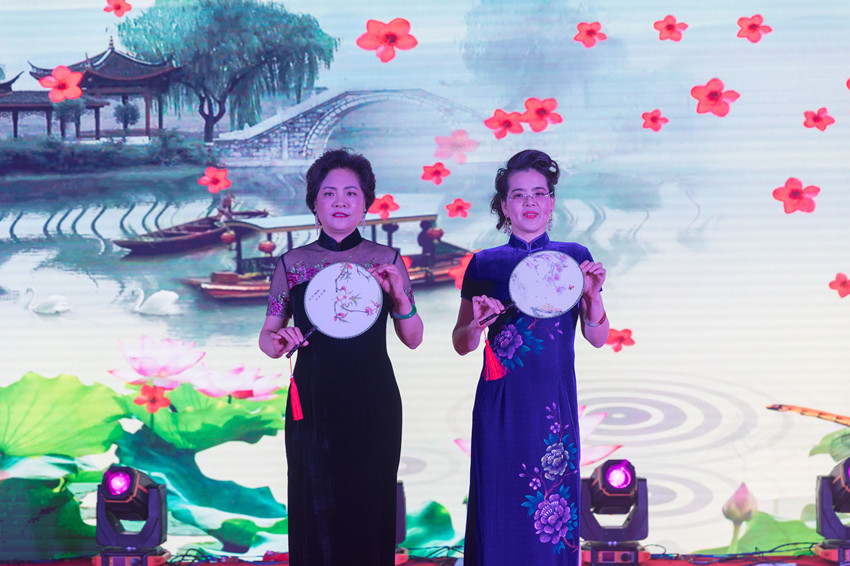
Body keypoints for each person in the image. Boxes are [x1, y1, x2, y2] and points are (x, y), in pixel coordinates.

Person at [259, 148, 424, 566]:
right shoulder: (292, 263)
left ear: (365, 204)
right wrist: (280, 342)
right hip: (313, 401)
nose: (340, 201)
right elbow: (268, 335)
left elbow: (413, 338)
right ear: (314, 203)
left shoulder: (386, 261)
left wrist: (401, 297)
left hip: (373, 398)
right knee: (314, 503)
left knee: (370, 503)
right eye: (329, 193)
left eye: (351, 193)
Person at [452, 149, 609, 566]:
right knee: (498, 503)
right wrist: (478, 325)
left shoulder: (574, 257)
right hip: (500, 403)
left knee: (552, 512)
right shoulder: (484, 264)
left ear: (552, 202)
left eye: (539, 193)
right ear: (504, 206)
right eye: (519, 195)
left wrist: (593, 297)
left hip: (552, 402)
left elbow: (597, 337)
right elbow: (462, 342)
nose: (530, 202)